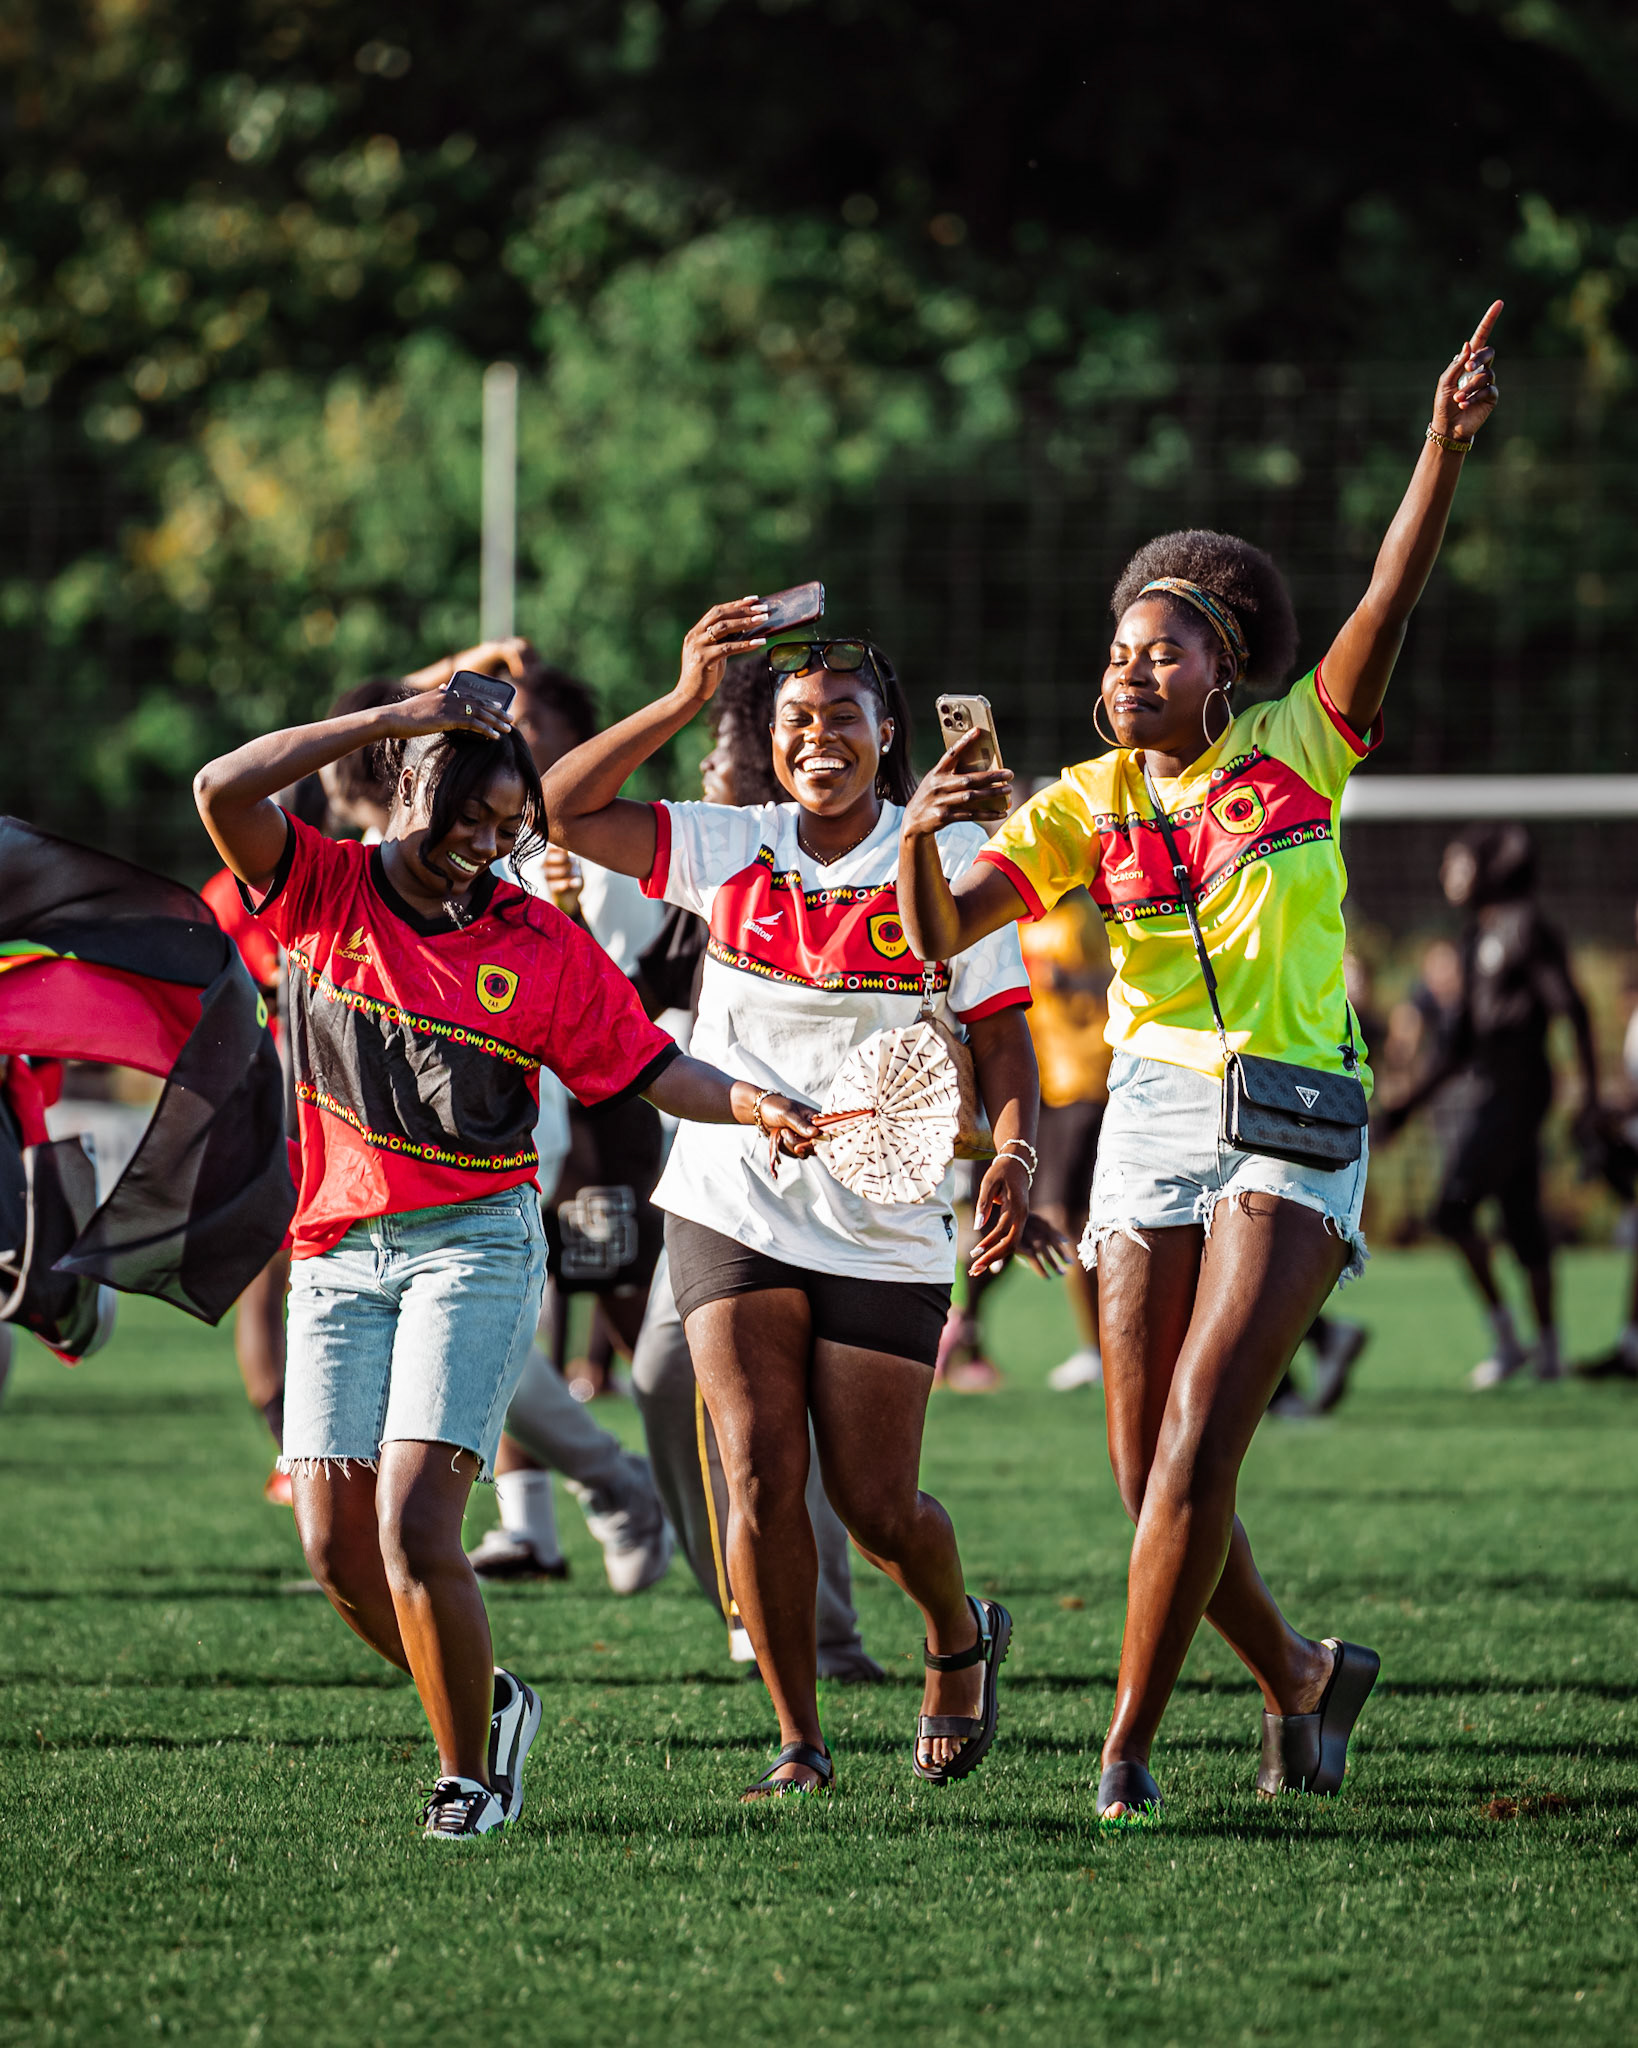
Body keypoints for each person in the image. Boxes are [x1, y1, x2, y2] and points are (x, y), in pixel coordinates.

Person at [898, 303, 1503, 1822]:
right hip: (1153, 1112)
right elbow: (938, 931)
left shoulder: (1302, 744)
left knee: (1190, 1443)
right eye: (1114, 652)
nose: (1126, 671)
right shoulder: (1075, 801)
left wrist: (1437, 448)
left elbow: (1390, 586)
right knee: (1138, 1469)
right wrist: (922, 829)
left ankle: (1125, 1752)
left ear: (1219, 666)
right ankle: (1301, 1677)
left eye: (1157, 651)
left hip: (1295, 1110)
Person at [192, 678, 815, 1837]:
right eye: (468, 818)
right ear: (412, 790)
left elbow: (642, 1065)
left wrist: (749, 1099)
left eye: (506, 827)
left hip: (472, 1243)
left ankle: (467, 1770)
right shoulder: (321, 886)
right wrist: (396, 716)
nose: (486, 846)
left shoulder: (541, 941)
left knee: (415, 1524)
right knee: (335, 1548)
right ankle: (488, 1695)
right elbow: (221, 786)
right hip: (333, 1250)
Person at [541, 605, 1040, 1797]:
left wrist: (1015, 1157)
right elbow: (559, 806)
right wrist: (674, 698)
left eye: (844, 718)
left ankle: (955, 1629)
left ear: (888, 734)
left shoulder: (956, 862)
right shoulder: (730, 840)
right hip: (732, 1194)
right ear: (770, 742)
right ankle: (799, 1741)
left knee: (875, 1505)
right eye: (795, 720)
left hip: (884, 1212)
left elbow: (1007, 1049)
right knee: (757, 1464)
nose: (820, 737)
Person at [624, 656, 883, 1681]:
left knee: (804, 1428)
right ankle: (750, 1597)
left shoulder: (829, 858)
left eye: (733, 758)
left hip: (835, 1176)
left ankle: (824, 1629)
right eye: (721, 755)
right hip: (718, 1171)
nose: (720, 774)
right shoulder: (707, 862)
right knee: (665, 1377)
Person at [1379, 823, 1597, 1388]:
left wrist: (1590, 1098)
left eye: (1457, 864)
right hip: (1495, 1093)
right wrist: (1407, 1108)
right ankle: (1546, 1350)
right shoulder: (1477, 937)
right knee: (1521, 1215)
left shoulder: (1524, 929)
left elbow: (1572, 1009)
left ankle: (1509, 1338)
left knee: (1452, 1209)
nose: (1448, 875)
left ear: (1486, 869)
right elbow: (1460, 1046)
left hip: (1517, 1095)